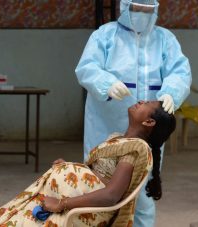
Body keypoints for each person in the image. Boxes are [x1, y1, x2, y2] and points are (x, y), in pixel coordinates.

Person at [75, 0, 191, 226]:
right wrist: (105, 83)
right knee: (99, 184)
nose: (142, 15)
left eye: (148, 11)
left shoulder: (165, 40)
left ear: (156, 10)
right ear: (125, 7)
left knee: (142, 189)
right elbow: (86, 67)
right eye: (137, 10)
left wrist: (171, 93)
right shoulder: (105, 36)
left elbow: (180, 71)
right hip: (105, 123)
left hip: (147, 130)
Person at [0, 101, 176, 227]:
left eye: (146, 104)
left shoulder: (136, 149)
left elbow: (111, 194)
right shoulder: (118, 140)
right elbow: (98, 173)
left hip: (82, 210)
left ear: (149, 122)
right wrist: (70, 166)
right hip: (64, 198)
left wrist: (61, 204)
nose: (140, 101)